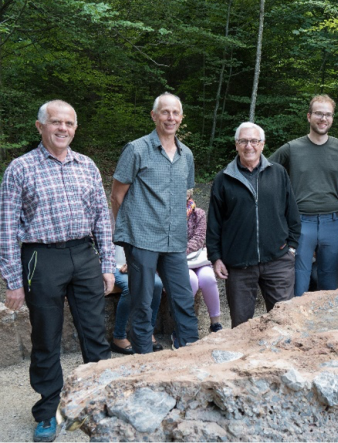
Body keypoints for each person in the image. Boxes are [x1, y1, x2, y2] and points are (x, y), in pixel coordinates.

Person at [0, 100, 113, 442]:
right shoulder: (20, 168)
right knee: (46, 336)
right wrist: (13, 281)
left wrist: (106, 264)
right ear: (40, 126)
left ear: (75, 128)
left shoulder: (86, 165)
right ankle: (48, 410)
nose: (63, 128)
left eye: (69, 123)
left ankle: (97, 399)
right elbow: (5, 228)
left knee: (94, 331)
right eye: (56, 122)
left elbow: (102, 218)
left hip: (83, 254)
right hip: (41, 259)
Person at [111, 92, 198, 354]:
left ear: (181, 117)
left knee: (183, 299)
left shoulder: (187, 155)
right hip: (142, 240)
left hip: (174, 241)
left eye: (175, 113)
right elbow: (117, 195)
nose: (170, 117)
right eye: (165, 112)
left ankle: (192, 354)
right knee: (142, 302)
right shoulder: (136, 149)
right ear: (154, 115)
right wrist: (127, 234)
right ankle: (144, 362)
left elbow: (186, 195)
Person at [206, 122, 301, 328]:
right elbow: (214, 222)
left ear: (262, 144)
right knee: (241, 327)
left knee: (284, 323)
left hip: (278, 261)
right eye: (243, 141)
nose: (249, 146)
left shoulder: (278, 173)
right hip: (239, 265)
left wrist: (291, 247)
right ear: (236, 145)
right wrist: (215, 257)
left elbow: (292, 213)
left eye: (254, 141)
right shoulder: (223, 179)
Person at [269, 95, 338, 296]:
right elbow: (264, 171)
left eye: (328, 114)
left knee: (329, 286)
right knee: (298, 284)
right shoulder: (292, 148)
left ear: (332, 118)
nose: (323, 118)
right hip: (300, 224)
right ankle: (297, 327)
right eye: (318, 113)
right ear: (309, 116)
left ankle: (327, 327)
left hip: (333, 224)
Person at [111, 245, 164, 354]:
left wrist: (133, 263)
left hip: (139, 263)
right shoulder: (110, 227)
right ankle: (118, 336)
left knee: (157, 284)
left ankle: (148, 331)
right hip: (114, 266)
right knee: (131, 287)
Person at [186, 189, 223, 333]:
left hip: (197, 259)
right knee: (191, 280)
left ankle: (215, 324)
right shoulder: (167, 212)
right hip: (177, 262)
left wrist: (182, 251)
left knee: (208, 278)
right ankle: (184, 324)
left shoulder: (198, 213)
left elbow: (200, 238)